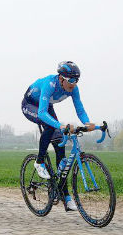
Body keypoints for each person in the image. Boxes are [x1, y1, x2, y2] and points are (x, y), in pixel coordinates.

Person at [21, 61, 95, 210]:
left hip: (47, 106)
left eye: (76, 80)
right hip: (30, 105)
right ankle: (39, 161)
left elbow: (79, 109)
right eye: (71, 80)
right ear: (61, 78)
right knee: (50, 125)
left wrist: (87, 123)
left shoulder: (74, 89)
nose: (73, 84)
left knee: (60, 146)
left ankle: (65, 197)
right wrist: (61, 126)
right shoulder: (50, 84)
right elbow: (42, 113)